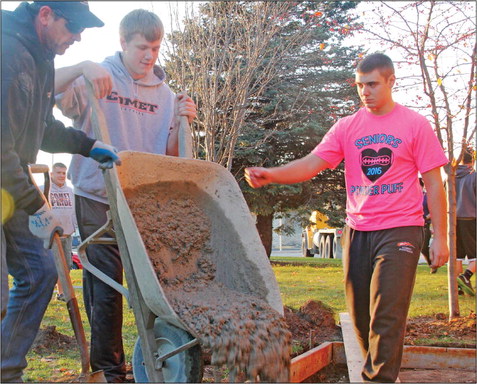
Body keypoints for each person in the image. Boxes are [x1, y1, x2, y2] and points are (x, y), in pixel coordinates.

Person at [245, 53, 449, 383]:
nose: (364, 92)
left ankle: (377, 379)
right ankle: (382, 373)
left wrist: (441, 235)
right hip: (358, 231)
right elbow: (312, 163)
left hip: (402, 229)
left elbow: (434, 183)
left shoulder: (414, 124)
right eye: (359, 85)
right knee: (360, 319)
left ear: (390, 81)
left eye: (372, 84)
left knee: (387, 316)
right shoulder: (348, 127)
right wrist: (273, 174)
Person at [54, 9, 197, 382]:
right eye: (141, 48)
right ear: (122, 42)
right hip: (97, 195)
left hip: (141, 201)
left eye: (155, 48)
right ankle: (110, 370)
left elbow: (170, 154)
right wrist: (82, 69)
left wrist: (183, 122)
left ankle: (162, 349)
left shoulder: (165, 95)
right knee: (105, 288)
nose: (149, 56)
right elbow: (50, 93)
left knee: (154, 283)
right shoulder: (98, 76)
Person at [1, 1, 120, 382]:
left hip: (8, 182)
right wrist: (39, 205)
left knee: (38, 274)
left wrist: (88, 145)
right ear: (46, 14)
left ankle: (5, 370)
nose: (78, 37)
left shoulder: (40, 55)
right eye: (73, 27)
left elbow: (42, 127)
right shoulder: (7, 52)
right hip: (8, 176)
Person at [46, 163, 77, 301]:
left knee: (67, 265)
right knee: (52, 267)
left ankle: (62, 293)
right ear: (51, 174)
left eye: (64, 173)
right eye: (58, 172)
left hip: (67, 234)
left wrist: (74, 225)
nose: (62, 175)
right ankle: (47, 293)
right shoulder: (44, 189)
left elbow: (74, 211)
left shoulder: (71, 191)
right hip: (51, 236)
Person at [455, 147, 476, 296]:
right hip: (471, 219)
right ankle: (466, 276)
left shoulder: (450, 176)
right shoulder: (474, 176)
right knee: (475, 254)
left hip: (454, 220)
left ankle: (460, 287)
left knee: (458, 255)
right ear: (473, 160)